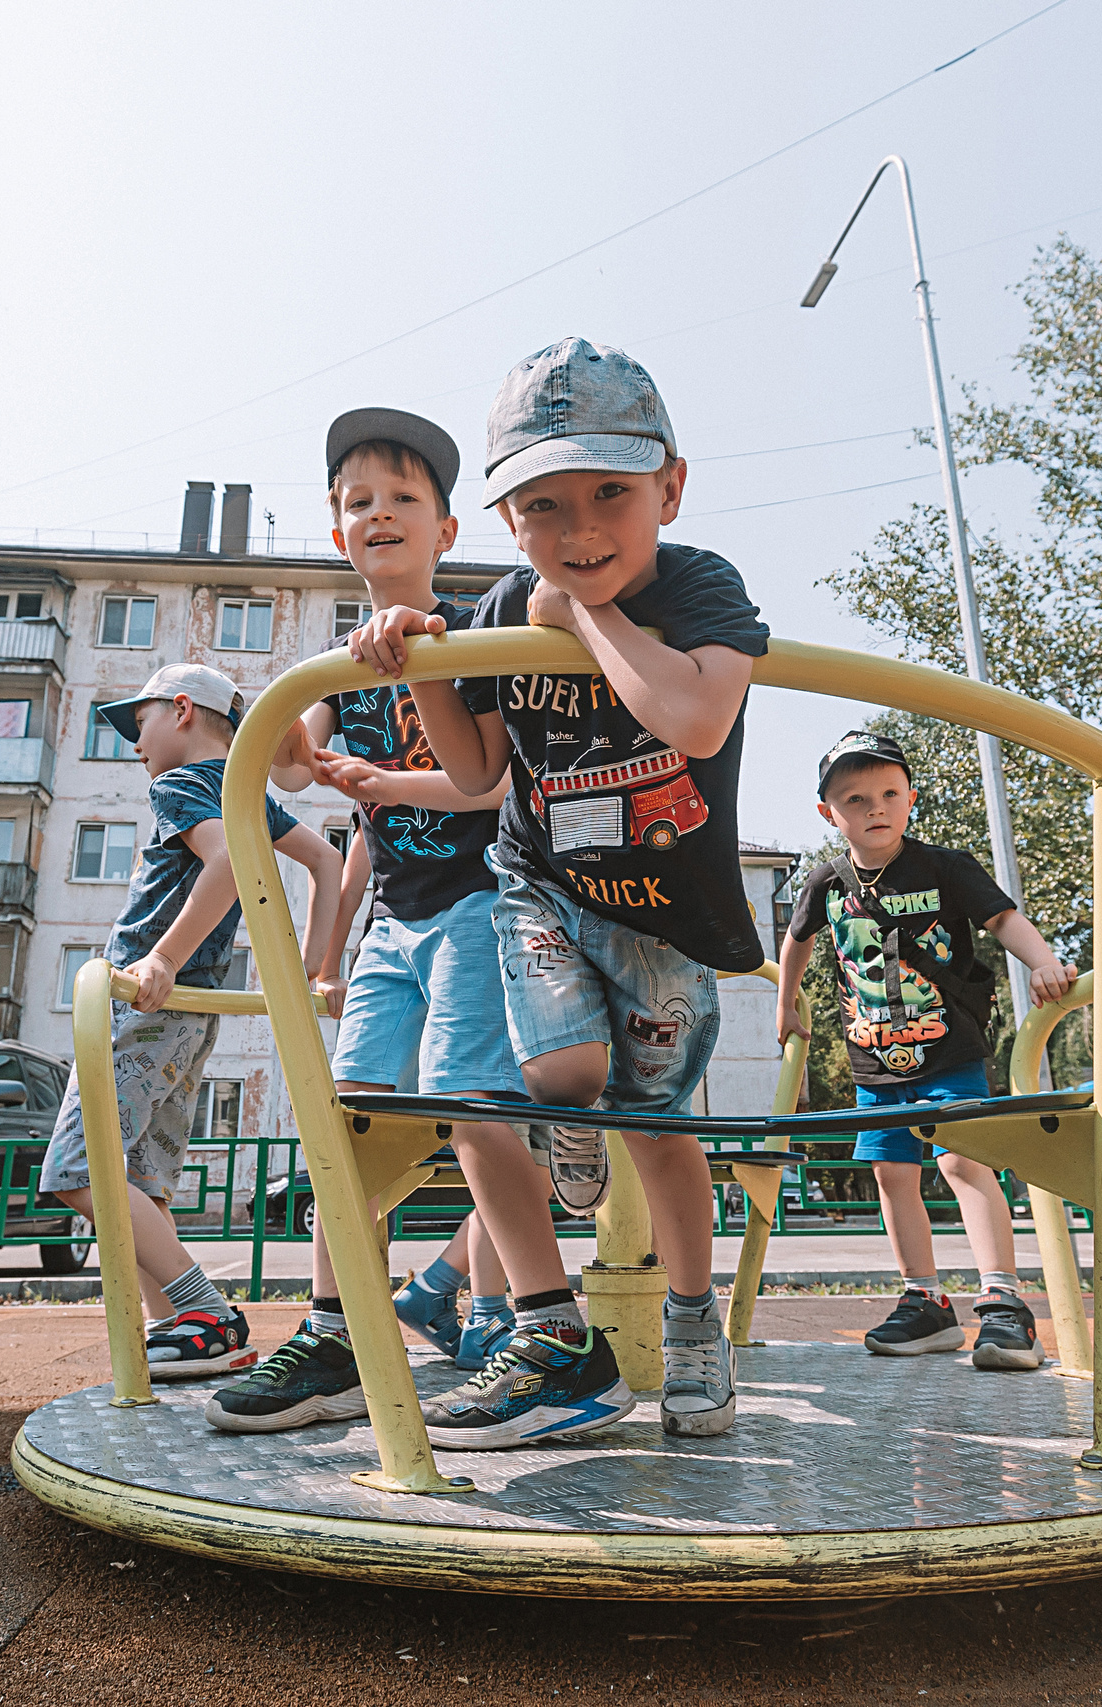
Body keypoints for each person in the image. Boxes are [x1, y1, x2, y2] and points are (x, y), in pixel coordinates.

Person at [354, 337, 770, 1445]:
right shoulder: (497, 608)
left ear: (669, 488)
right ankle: (565, 1131)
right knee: (558, 1072)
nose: (579, 531)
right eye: (544, 507)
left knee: (662, 1128)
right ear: (503, 516)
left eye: (609, 496)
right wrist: (428, 656)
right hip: (540, 883)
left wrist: (580, 614)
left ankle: (693, 1327)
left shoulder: (697, 586)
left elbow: (694, 718)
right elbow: (478, 770)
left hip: (663, 915)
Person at [208, 409, 535, 1433]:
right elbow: (284, 766)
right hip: (392, 923)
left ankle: (539, 1320)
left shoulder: (474, 636)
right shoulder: (334, 672)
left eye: (404, 500)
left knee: (470, 1107)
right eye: (360, 504)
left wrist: (384, 779)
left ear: (445, 529)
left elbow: (490, 789)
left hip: (481, 907)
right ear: (337, 530)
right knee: (343, 1129)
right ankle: (337, 1330)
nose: (380, 514)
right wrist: (331, 938)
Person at [37, 663, 345, 1384]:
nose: (133, 742)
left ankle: (203, 1311)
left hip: (146, 997)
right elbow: (327, 863)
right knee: (139, 1176)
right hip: (190, 1011)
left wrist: (163, 957)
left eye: (137, 722)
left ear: (181, 710)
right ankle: (181, 1330)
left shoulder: (178, 785)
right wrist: (311, 971)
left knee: (78, 1171)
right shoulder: (245, 793)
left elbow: (230, 866)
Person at [776, 731, 1076, 1368]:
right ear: (828, 813)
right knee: (891, 1174)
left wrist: (1043, 960)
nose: (875, 808)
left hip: (949, 1050)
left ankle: (1002, 1301)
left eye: (889, 793)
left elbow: (1003, 919)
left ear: (911, 798)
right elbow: (797, 940)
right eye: (855, 798)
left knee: (963, 1165)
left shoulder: (944, 866)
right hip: (873, 1059)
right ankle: (926, 1301)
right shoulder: (828, 880)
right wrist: (786, 1003)